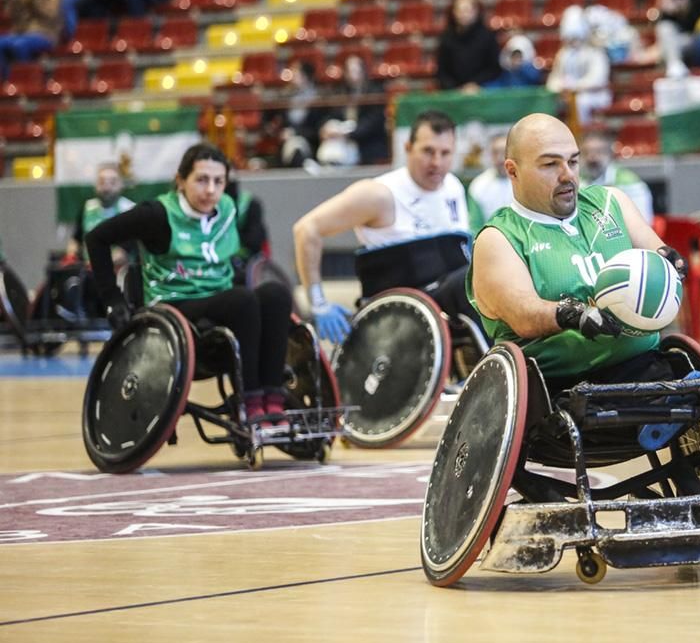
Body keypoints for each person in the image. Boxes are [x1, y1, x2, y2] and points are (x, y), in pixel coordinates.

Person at [468, 113, 688, 396]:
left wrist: (670, 263)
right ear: (512, 171)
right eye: (550, 164)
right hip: (559, 386)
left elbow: (657, 253)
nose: (567, 175)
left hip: (643, 365)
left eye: (573, 161)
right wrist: (571, 314)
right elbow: (523, 315)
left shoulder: (611, 202)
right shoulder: (498, 237)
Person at [85, 143, 294, 424]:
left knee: (277, 294)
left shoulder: (228, 208)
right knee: (242, 299)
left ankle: (274, 397)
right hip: (175, 305)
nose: (210, 190)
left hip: (221, 301)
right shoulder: (157, 214)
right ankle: (251, 401)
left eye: (218, 181)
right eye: (201, 180)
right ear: (181, 181)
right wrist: (112, 298)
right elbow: (96, 238)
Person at [292, 110, 471, 344]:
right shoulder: (379, 195)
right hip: (399, 310)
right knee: (469, 280)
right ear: (407, 148)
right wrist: (318, 304)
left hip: (447, 305)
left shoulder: (453, 187)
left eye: (445, 153)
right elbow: (306, 229)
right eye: (428, 151)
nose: (437, 162)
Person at [545, 6, 611, 124]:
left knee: (580, 102)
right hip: (567, 94)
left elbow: (597, 79)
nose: (573, 41)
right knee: (549, 102)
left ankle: (579, 137)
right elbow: (554, 77)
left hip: (593, 95)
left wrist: (574, 86)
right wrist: (559, 86)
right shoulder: (563, 54)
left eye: (576, 38)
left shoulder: (595, 52)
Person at [581, 128, 654, 222]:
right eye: (586, 153)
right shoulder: (579, 182)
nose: (592, 158)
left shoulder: (629, 182)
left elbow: (643, 222)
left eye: (599, 152)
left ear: (609, 155)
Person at [68, 162, 135, 263]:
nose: (107, 188)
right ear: (95, 185)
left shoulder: (130, 210)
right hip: (88, 270)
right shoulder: (87, 208)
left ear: (121, 185)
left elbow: (124, 252)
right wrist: (71, 256)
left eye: (112, 183)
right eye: (102, 182)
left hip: (121, 272)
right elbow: (75, 241)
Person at [436, 0, 502, 92]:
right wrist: (454, 88)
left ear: (475, 12)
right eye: (459, 10)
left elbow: (494, 68)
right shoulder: (446, 38)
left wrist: (475, 84)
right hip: (453, 93)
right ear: (454, 12)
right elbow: (442, 71)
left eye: (467, 10)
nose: (463, 14)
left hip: (483, 90)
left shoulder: (487, 36)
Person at [0, 0, 61, 79]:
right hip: (21, 32)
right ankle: (6, 79)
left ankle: (25, 79)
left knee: (19, 45)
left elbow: (50, 13)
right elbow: (12, 15)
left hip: (44, 33)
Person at [467, 134, 515, 233]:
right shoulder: (478, 186)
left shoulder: (525, 182)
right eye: (495, 153)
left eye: (504, 152)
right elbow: (475, 227)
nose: (500, 159)